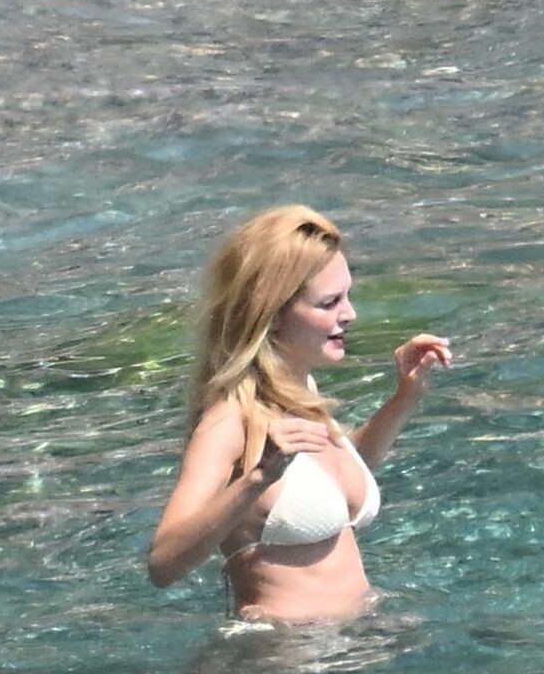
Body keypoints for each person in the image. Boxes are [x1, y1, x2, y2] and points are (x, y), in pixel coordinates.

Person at [147, 206, 453, 621]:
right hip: (282, 651)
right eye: (329, 302)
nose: (350, 314)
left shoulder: (301, 387)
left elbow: (332, 479)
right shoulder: (230, 420)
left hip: (360, 635)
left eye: (347, 296)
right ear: (272, 316)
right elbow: (163, 565)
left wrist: (404, 396)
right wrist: (257, 479)